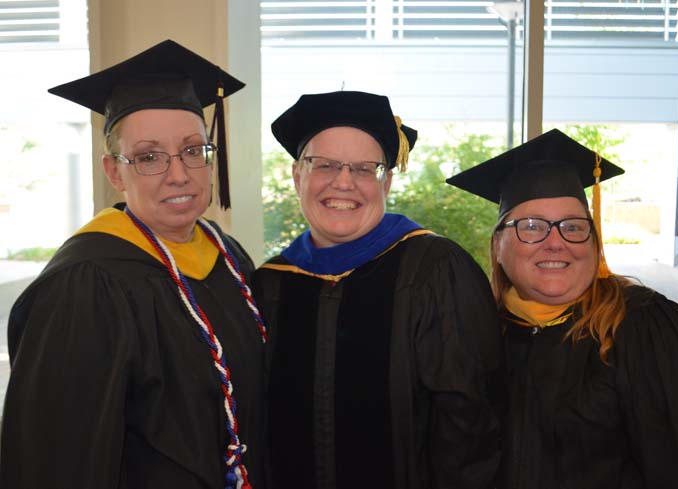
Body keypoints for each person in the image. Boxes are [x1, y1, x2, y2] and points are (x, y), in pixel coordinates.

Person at [0, 40, 267, 489]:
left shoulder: (228, 256)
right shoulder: (85, 285)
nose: (178, 173)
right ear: (113, 172)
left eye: (192, 150)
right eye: (147, 157)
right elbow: (55, 458)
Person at [446, 128, 678, 489]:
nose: (556, 242)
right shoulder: (477, 338)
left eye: (573, 226)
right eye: (532, 226)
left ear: (594, 242)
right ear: (499, 247)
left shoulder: (648, 327)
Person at [254, 90, 504, 489]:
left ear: (386, 182)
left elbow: (470, 429)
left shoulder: (435, 271)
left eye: (365, 169)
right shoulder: (271, 283)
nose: (343, 182)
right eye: (324, 165)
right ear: (297, 175)